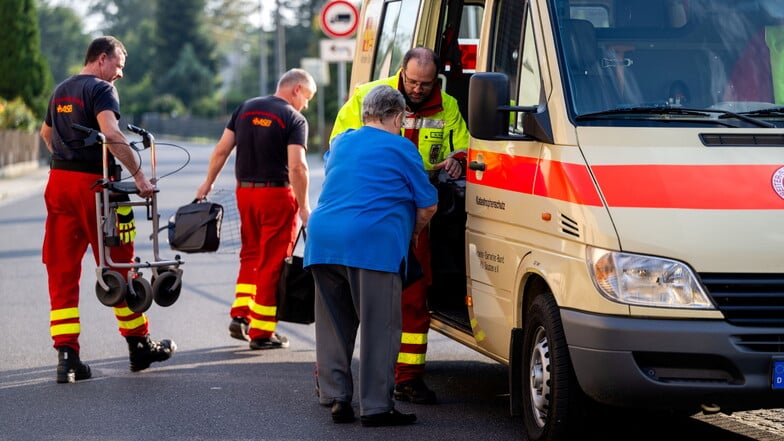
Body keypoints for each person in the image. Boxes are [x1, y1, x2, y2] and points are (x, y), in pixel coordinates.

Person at [329, 46, 469, 404]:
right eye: (412, 81)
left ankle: (406, 377)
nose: (418, 89)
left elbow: (464, 145)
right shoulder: (369, 95)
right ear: (400, 73)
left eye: (425, 83)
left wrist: (459, 158)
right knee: (358, 303)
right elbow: (336, 146)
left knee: (411, 297)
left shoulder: (448, 105)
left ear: (435, 78)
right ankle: (347, 388)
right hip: (385, 208)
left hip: (405, 207)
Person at [39, 36, 176, 383]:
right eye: (118, 66)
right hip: (96, 189)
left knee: (62, 268)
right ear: (102, 59)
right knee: (118, 263)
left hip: (59, 185)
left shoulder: (61, 90)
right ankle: (138, 345)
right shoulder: (101, 90)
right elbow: (112, 134)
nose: (119, 75)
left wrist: (66, 156)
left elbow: (45, 134)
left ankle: (67, 356)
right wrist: (140, 176)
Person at [305, 85, 438, 426]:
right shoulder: (401, 147)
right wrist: (413, 231)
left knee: (334, 324)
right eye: (402, 120)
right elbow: (428, 203)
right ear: (396, 117)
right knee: (381, 327)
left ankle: (336, 399)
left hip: (323, 242)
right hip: (371, 245)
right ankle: (377, 407)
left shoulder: (341, 142)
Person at [196, 69, 315, 350]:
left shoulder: (245, 108)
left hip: (245, 193)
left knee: (250, 253)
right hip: (277, 195)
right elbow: (297, 166)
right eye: (308, 97)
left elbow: (222, 150)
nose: (307, 104)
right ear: (296, 89)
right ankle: (262, 332)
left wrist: (207, 183)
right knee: (273, 260)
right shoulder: (294, 118)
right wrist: (305, 206)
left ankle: (241, 313)